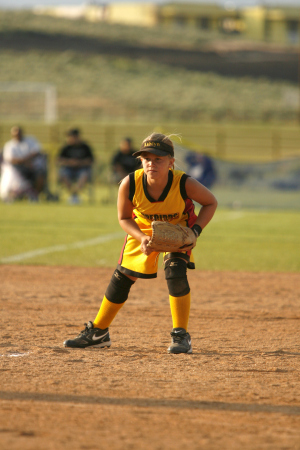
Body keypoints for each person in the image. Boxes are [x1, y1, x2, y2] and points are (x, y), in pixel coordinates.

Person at [63, 133, 217, 354]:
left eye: (158, 159)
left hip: (177, 229)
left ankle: (181, 335)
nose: (151, 163)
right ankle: (98, 332)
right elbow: (124, 218)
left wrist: (195, 231)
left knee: (175, 271)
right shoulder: (130, 183)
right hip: (143, 229)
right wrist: (142, 238)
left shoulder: (183, 182)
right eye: (146, 158)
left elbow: (211, 202)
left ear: (171, 162)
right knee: (123, 276)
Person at [0, 126, 48, 202]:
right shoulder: (9, 145)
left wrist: (27, 161)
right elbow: (10, 159)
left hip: (33, 166)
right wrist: (24, 162)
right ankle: (16, 195)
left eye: (19, 133)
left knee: (40, 175)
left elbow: (36, 152)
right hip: (18, 169)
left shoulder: (31, 141)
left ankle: (35, 195)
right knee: (17, 181)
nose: (17, 135)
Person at [57, 128, 94, 204]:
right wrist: (69, 162)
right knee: (63, 174)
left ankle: (74, 195)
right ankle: (74, 194)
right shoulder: (66, 147)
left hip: (82, 169)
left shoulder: (85, 147)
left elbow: (91, 160)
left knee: (84, 175)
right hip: (68, 169)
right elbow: (59, 160)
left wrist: (80, 162)